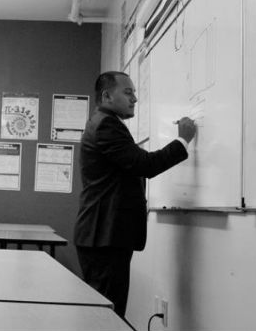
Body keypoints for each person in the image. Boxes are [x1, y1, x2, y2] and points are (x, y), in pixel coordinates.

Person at [73, 71, 196, 319]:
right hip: (104, 237)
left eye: (135, 93)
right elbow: (145, 165)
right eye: (128, 92)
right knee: (107, 316)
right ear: (107, 96)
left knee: (105, 313)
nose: (135, 99)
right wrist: (183, 140)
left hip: (102, 236)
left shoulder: (103, 122)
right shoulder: (106, 125)